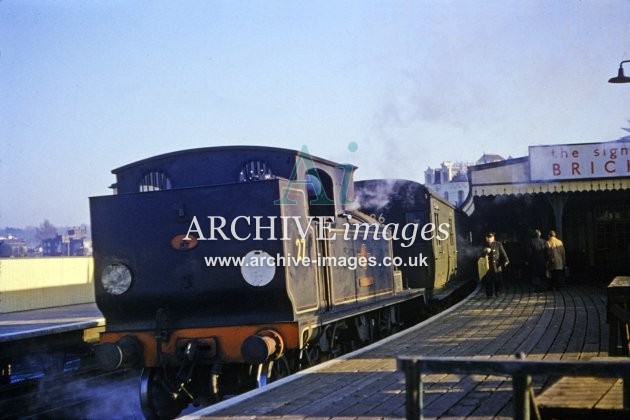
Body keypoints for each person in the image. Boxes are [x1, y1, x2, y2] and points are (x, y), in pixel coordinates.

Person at [481, 232, 509, 298]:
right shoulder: (484, 245)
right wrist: (485, 251)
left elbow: (503, 253)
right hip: (488, 266)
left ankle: (498, 292)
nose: (489, 239)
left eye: (490, 237)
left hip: (496, 265)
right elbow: (480, 256)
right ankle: (489, 294)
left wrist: (506, 260)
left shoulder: (498, 244)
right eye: (488, 237)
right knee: (488, 280)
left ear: (493, 237)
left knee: (498, 280)